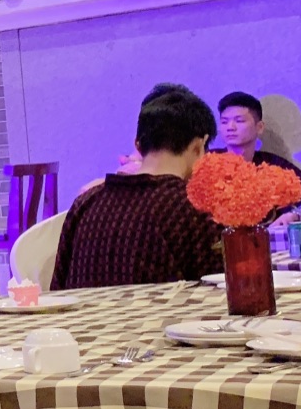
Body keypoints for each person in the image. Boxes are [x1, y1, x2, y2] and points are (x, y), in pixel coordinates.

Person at [52, 85, 224, 289]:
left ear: (138, 145)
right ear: (198, 146)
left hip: (82, 311)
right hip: (164, 311)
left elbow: (57, 289)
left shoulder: (85, 203)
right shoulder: (193, 208)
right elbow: (222, 290)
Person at [215, 90, 301, 220]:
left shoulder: (273, 164)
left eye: (239, 121)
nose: (230, 127)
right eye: (224, 122)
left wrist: (294, 216)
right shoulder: (208, 164)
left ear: (259, 127)